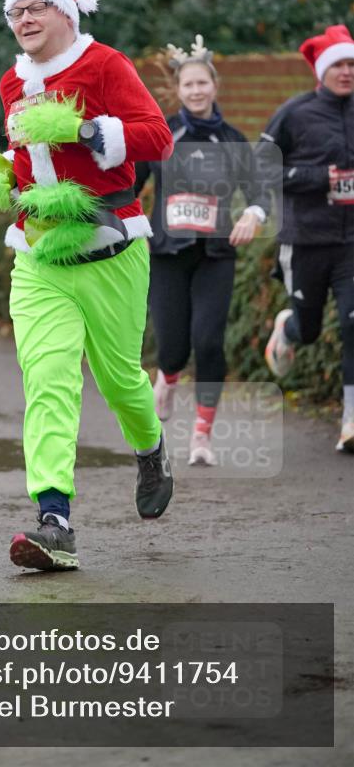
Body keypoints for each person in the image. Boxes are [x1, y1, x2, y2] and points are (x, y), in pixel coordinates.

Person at [0, 0, 174, 572]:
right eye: (16, 12)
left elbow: (158, 138)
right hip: (38, 257)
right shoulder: (13, 79)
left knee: (118, 381)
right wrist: (6, 175)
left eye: (37, 8)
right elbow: (26, 151)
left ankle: (150, 448)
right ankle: (54, 521)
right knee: (49, 381)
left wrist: (84, 130)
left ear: (67, 13)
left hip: (110, 250)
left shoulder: (105, 65)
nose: (25, 20)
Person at [134, 35, 266, 465]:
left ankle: (202, 437)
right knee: (172, 346)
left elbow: (259, 190)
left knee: (208, 343)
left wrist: (254, 215)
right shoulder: (162, 133)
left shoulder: (232, 139)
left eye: (202, 84)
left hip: (215, 255)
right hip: (168, 255)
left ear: (214, 87)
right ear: (179, 88)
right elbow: (131, 186)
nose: (195, 91)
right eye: (188, 85)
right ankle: (168, 379)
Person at [259, 24, 354, 453]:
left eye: (353, 64)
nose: (348, 72)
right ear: (322, 71)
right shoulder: (294, 113)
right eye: (340, 65)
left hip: (351, 241)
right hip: (306, 239)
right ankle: (290, 328)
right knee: (311, 327)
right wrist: (319, 178)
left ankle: (350, 420)